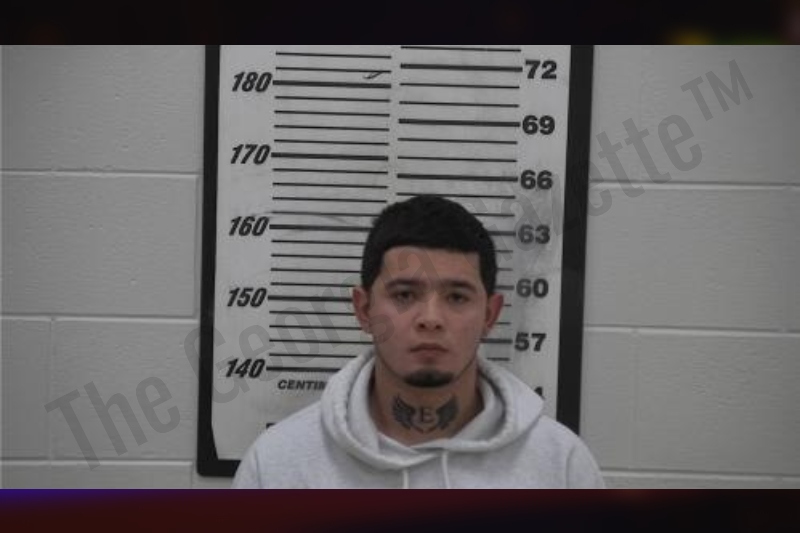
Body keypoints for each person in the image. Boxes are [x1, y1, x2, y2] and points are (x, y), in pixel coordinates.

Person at [232, 194, 604, 488]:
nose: (431, 318)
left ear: (490, 315)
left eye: (456, 297)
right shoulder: (277, 466)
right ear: (364, 310)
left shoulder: (561, 466)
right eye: (405, 295)